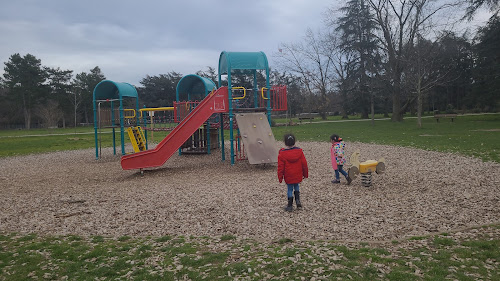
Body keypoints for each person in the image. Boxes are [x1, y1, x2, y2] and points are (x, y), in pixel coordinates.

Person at [278, 133, 309, 212]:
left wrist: (280, 177)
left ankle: (290, 205)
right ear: (294, 142)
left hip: (289, 174)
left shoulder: (282, 154)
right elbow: (304, 163)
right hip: (297, 173)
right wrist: (305, 174)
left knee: (289, 189)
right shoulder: (299, 151)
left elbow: (280, 167)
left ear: (285, 142)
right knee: (296, 186)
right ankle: (298, 201)